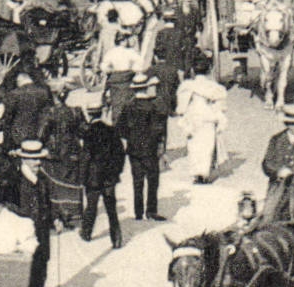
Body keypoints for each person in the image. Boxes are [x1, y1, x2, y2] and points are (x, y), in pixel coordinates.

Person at [8, 140, 56, 287]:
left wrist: (55, 218)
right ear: (24, 160)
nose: (38, 163)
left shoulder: (42, 179)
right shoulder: (14, 180)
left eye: (39, 159)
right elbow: (9, 206)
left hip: (41, 234)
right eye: (34, 160)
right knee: (19, 273)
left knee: (39, 272)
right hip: (22, 236)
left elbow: (47, 202)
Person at [78, 100, 126, 249]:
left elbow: (86, 157)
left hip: (93, 177)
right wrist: (116, 171)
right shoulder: (112, 130)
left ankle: (86, 233)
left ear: (89, 115)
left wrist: (82, 177)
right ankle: (116, 238)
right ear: (102, 112)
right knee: (111, 208)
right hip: (109, 177)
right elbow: (121, 154)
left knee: (91, 206)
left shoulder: (88, 133)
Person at [119, 79, 167, 222]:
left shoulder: (127, 107)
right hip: (150, 149)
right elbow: (159, 129)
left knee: (137, 181)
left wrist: (131, 137)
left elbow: (121, 129)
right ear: (146, 89)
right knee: (153, 180)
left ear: (134, 90)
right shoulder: (152, 107)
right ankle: (151, 210)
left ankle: (138, 212)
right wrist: (158, 144)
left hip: (134, 149)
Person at [175, 70, 229, 184]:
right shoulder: (214, 87)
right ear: (208, 69)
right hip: (208, 117)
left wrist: (183, 115)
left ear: (193, 71)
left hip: (193, 117)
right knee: (206, 146)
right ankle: (204, 173)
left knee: (194, 146)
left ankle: (196, 174)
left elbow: (182, 106)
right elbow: (220, 106)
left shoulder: (187, 86)